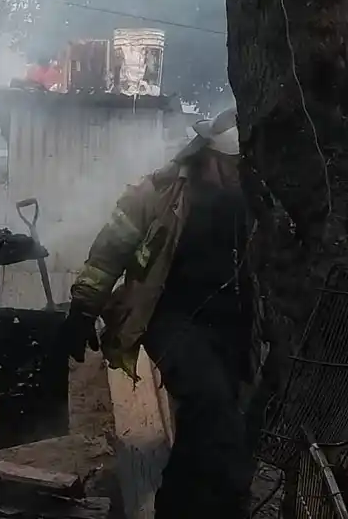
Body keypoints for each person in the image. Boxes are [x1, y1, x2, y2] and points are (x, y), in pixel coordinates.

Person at [59, 107, 256, 518]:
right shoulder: (162, 192)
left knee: (232, 430)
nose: (241, 175)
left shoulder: (259, 201)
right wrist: (82, 309)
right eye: (234, 165)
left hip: (237, 328)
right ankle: (176, 507)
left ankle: (224, 507)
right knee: (209, 403)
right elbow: (110, 250)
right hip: (172, 318)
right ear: (211, 155)